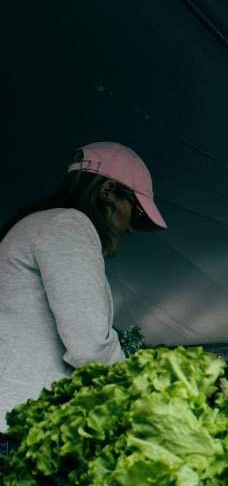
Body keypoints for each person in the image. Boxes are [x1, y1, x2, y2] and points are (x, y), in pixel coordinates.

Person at [0, 142, 167, 435]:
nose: (129, 227)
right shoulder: (68, 225)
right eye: (136, 212)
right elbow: (90, 344)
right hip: (19, 419)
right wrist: (142, 391)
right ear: (107, 191)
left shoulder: (36, 224)